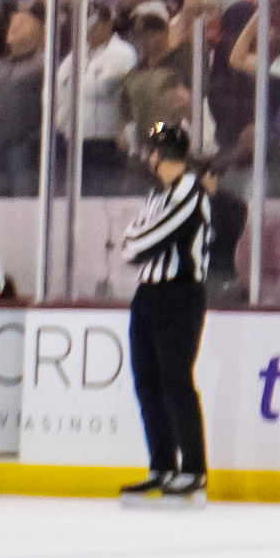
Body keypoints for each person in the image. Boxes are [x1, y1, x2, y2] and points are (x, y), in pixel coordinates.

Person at [114, 118, 222, 501]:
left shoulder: (191, 192)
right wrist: (136, 242)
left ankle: (193, 468)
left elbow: (140, 243)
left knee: (175, 380)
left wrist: (136, 242)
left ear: (157, 155)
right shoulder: (158, 196)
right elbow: (131, 241)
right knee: (148, 382)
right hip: (149, 294)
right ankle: (162, 464)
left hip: (179, 294)